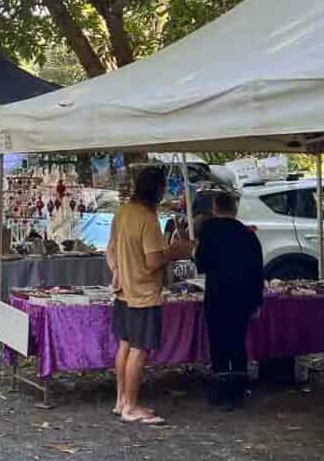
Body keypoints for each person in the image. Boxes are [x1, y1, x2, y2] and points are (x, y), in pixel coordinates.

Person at [106, 165, 193, 425]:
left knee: (124, 344)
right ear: (158, 189)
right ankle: (131, 407)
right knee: (139, 349)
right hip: (143, 292)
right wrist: (177, 250)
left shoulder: (122, 212)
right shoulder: (147, 218)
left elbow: (109, 249)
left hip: (124, 291)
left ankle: (121, 400)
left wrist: (117, 270)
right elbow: (154, 260)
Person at [194, 191, 264, 411]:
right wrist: (257, 301)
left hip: (218, 293)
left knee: (219, 340)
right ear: (234, 209)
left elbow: (202, 264)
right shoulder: (248, 234)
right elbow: (257, 271)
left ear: (214, 208)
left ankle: (222, 390)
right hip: (243, 295)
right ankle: (239, 389)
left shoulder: (209, 231)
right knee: (237, 340)